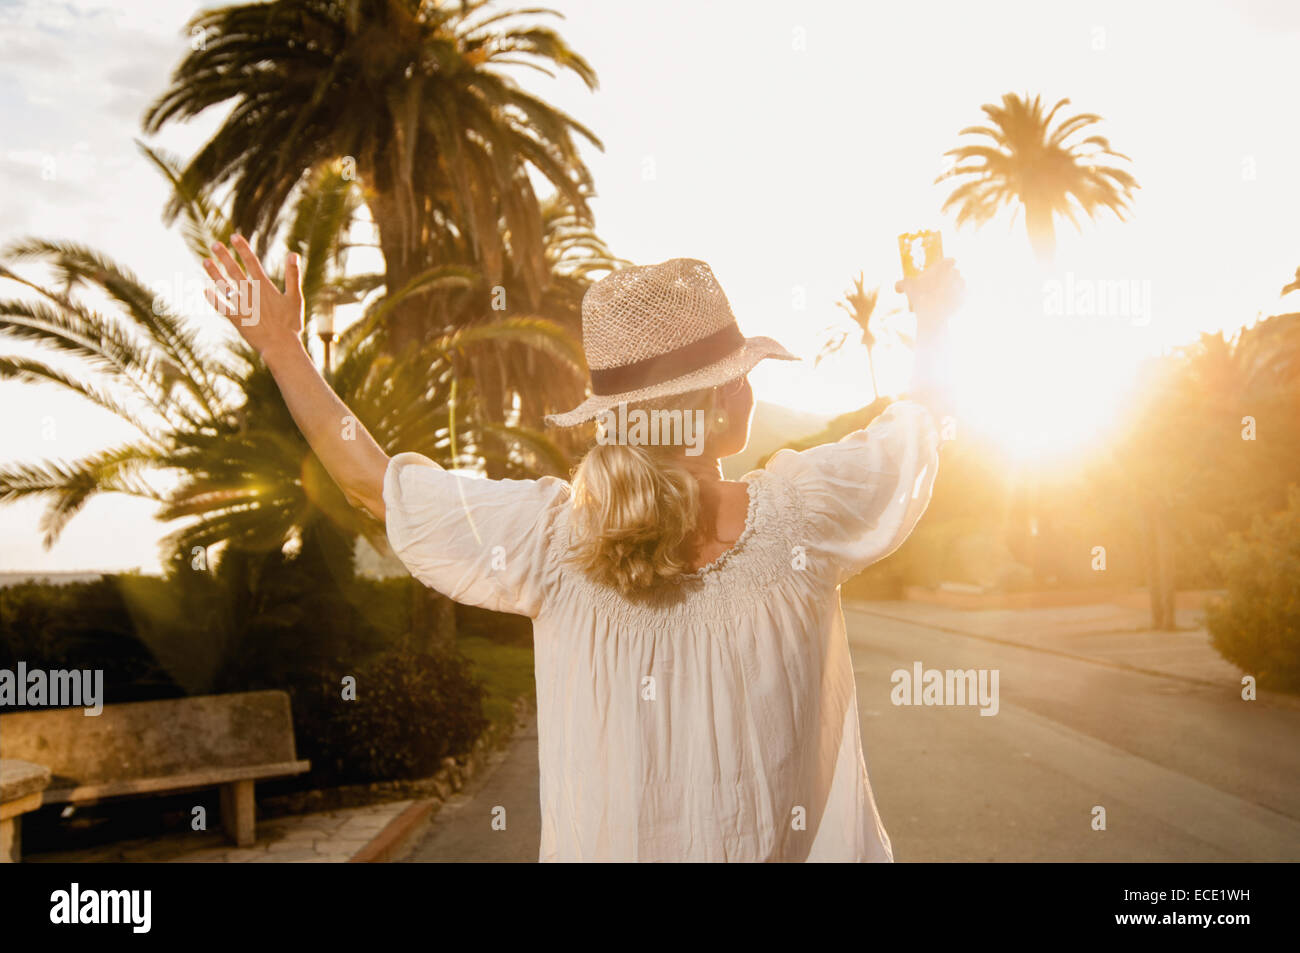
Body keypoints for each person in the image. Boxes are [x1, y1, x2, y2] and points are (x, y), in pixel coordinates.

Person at [203, 238, 963, 861]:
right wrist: (931, 315)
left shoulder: (548, 539)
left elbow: (373, 482)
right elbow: (919, 424)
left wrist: (281, 347)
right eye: (739, 375)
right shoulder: (804, 513)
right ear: (726, 398)